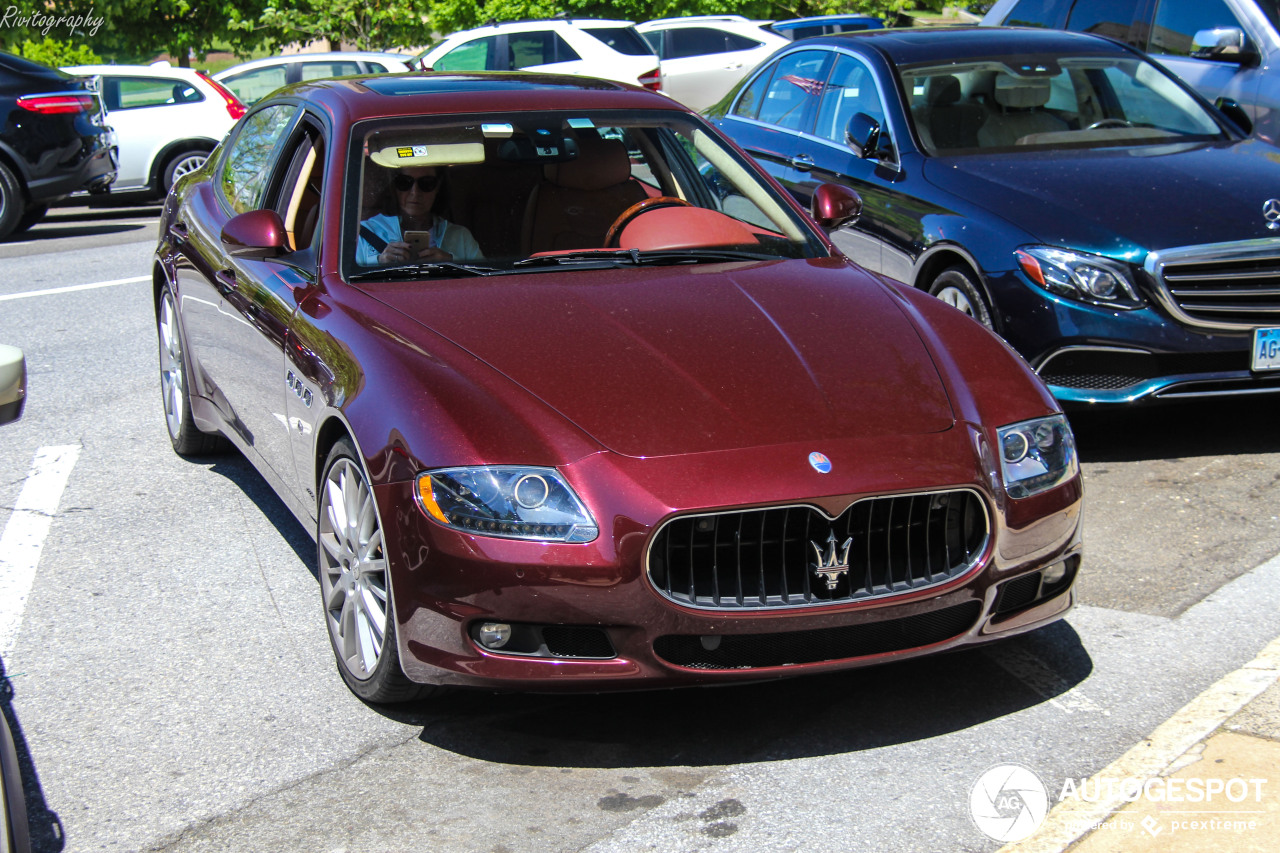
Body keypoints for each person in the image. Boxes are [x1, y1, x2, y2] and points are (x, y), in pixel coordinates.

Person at [356, 165, 483, 266]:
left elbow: (484, 283)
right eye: (404, 182)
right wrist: (379, 261)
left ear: (438, 187)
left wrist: (451, 262)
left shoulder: (461, 237)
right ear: (394, 186)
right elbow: (346, 287)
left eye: (426, 183)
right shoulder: (364, 233)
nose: (415, 192)